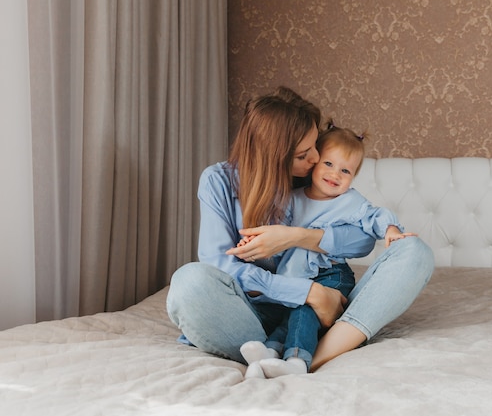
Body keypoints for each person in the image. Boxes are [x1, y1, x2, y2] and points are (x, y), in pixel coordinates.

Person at [166, 86, 434, 377]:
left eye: (315, 147)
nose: (317, 159)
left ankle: (313, 355)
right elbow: (219, 264)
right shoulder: (217, 181)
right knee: (188, 282)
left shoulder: (310, 178)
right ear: (274, 156)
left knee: (414, 252)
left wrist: (295, 236)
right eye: (304, 154)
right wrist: (309, 293)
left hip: (326, 314)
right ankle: (283, 350)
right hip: (253, 314)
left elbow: (362, 241)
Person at [238, 120, 419, 378]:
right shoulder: (293, 198)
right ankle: (271, 352)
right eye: (329, 164)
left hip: (331, 274)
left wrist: (391, 231)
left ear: (353, 177)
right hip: (296, 274)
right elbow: (275, 231)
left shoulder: (350, 201)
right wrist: (253, 244)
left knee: (304, 309)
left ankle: (297, 362)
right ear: (314, 162)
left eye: (345, 171)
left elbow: (374, 216)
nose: (335, 175)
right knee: (290, 311)